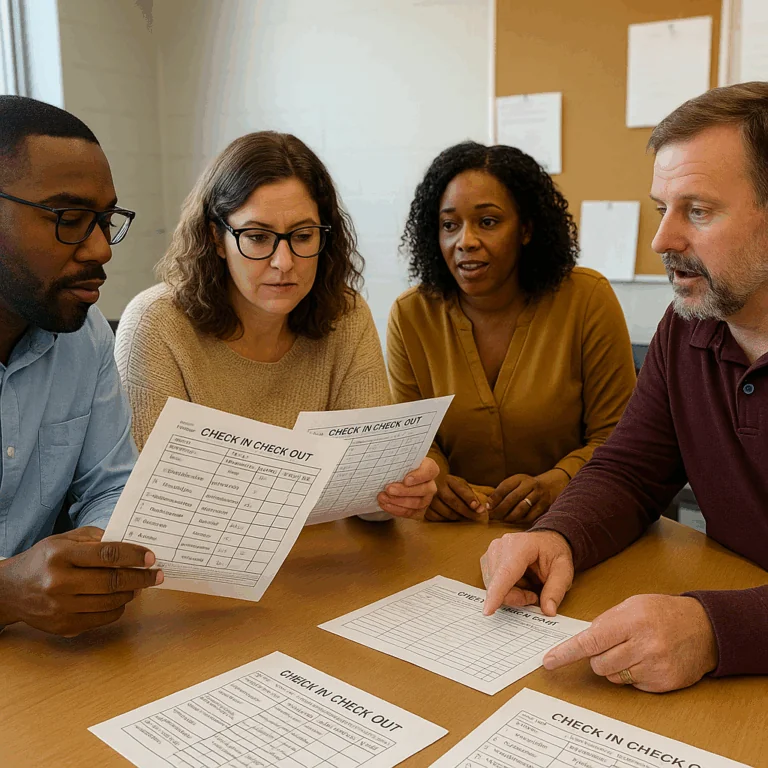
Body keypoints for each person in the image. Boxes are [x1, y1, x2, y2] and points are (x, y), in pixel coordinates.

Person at [481, 82, 768, 692]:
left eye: (697, 210)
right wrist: (559, 535)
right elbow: (632, 471)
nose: (662, 240)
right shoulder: (686, 325)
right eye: (661, 207)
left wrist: (719, 629)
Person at [115, 131, 437, 519]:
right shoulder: (155, 325)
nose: (284, 262)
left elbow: (368, 498)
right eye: (256, 237)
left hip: (323, 560)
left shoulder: (346, 316)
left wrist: (397, 493)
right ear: (216, 238)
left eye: (302, 236)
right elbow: (160, 502)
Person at [388, 142, 636, 523]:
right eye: (449, 225)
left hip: (574, 517)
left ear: (526, 229)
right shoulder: (411, 316)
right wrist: (433, 476)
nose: (465, 241)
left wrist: (558, 481)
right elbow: (413, 440)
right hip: (457, 529)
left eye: (487, 222)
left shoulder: (587, 299)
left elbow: (618, 437)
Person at [0, 96, 161, 637]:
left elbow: (113, 486)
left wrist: (94, 557)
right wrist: (6, 593)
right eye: (70, 220)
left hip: (44, 655)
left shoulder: (83, 333)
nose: (101, 249)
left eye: (105, 220)